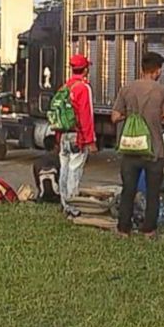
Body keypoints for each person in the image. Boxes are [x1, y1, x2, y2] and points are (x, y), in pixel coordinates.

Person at [111, 52, 164, 237]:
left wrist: (130, 117)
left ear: (141, 69)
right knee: (153, 193)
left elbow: (115, 117)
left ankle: (123, 229)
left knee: (128, 191)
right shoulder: (163, 91)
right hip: (154, 151)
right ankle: (149, 230)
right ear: (157, 71)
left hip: (130, 150)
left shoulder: (126, 89)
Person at [56, 54, 97, 218]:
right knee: (74, 170)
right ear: (85, 69)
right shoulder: (83, 88)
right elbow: (86, 116)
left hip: (64, 135)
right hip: (77, 136)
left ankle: (64, 202)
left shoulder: (65, 87)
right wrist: (90, 140)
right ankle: (73, 207)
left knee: (64, 169)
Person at [33, 135, 61, 203]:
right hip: (56, 198)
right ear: (56, 146)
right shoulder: (59, 161)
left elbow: (37, 183)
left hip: (42, 198)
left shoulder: (37, 162)